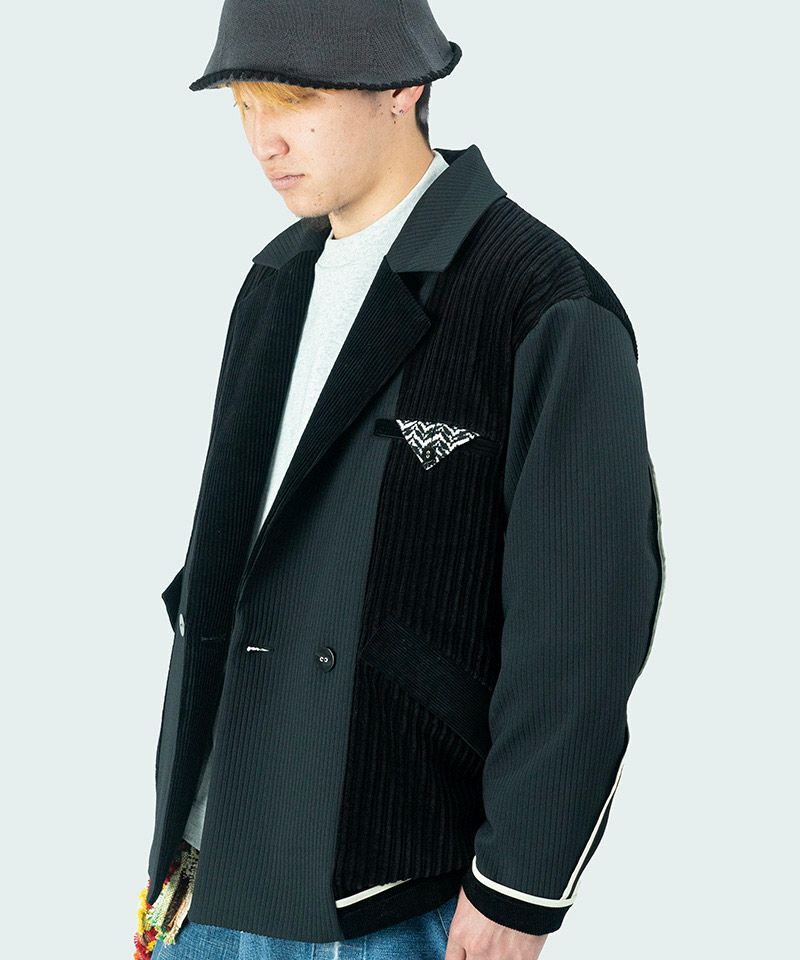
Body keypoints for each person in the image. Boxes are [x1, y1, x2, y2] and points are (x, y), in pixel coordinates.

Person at [134, 1, 666, 958]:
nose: (263, 140)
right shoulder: (275, 281)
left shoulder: (541, 300)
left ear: (403, 86)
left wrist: (520, 889)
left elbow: (582, 630)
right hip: (207, 874)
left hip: (391, 890)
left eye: (293, 99)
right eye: (245, 105)